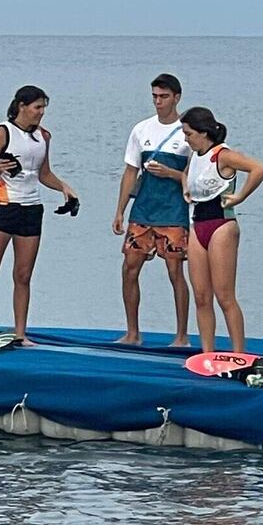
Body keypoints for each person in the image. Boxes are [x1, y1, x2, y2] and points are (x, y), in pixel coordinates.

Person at [0, 85, 78, 350]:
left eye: (44, 108)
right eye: (37, 107)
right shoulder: (2, 133)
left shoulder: (44, 136)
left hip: (31, 210)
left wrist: (65, 188)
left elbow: (44, 174)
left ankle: (21, 333)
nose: (41, 113)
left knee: (23, 275)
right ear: (22, 106)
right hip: (3, 208)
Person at [112, 74, 191, 346]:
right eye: (155, 96)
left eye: (164, 97)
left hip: (173, 212)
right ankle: (132, 333)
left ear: (176, 97)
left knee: (175, 271)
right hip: (143, 210)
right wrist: (120, 210)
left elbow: (195, 175)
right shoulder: (141, 129)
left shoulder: (187, 132)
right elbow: (130, 171)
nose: (158, 102)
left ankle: (181, 336)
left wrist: (171, 173)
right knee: (129, 267)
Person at [180, 107, 263, 353]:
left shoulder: (223, 155)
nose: (185, 139)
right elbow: (185, 174)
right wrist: (185, 187)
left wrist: (240, 197)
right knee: (201, 296)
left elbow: (259, 169)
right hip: (198, 225)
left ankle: (239, 352)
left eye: (188, 134)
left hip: (222, 225)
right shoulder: (194, 154)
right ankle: (207, 352)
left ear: (203, 132)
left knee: (224, 295)